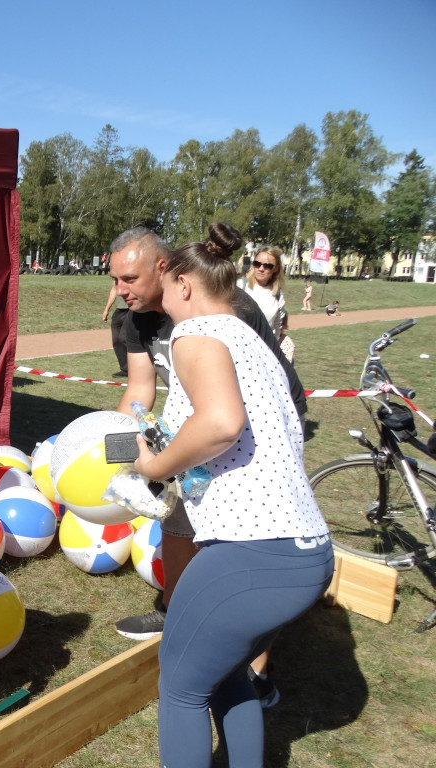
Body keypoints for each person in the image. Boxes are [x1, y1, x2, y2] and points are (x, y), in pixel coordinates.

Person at [133, 222, 332, 768]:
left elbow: (220, 423)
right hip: (305, 548)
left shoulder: (194, 334)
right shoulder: (253, 337)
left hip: (252, 551)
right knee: (223, 676)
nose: (164, 304)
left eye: (165, 289)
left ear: (185, 285)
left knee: (180, 688)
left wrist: (154, 464)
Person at [108, 225, 308, 707]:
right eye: (115, 280)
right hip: (199, 430)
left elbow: (256, 402)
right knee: (177, 525)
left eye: (129, 278)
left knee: (243, 547)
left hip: (258, 435)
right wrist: (112, 455)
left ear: (165, 270)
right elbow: (139, 391)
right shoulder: (133, 320)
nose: (120, 291)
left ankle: (255, 669)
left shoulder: (227, 307)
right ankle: (181, 620)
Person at [240, 246, 285, 336]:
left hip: (265, 346)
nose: (261, 269)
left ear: (276, 268)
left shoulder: (278, 294)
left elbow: (278, 327)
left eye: (268, 266)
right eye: (257, 263)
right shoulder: (241, 286)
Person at [100, 283, 130, 377]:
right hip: (120, 310)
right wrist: (106, 310)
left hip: (132, 310)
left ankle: (138, 368)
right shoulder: (117, 276)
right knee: (116, 340)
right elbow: (114, 290)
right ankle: (125, 370)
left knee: (123, 338)